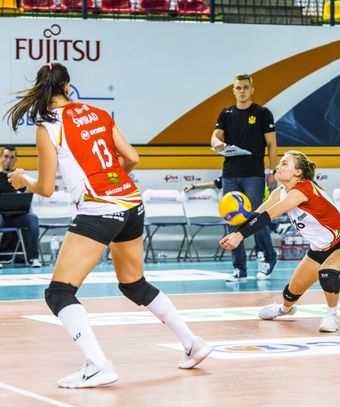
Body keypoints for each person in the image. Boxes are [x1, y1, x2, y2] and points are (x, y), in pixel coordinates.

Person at [5, 62, 212, 389]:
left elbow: (45, 188)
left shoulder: (48, 126)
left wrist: (23, 180)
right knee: (134, 285)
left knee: (59, 292)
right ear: (67, 86)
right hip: (131, 203)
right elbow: (132, 159)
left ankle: (97, 364)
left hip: (99, 208)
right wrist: (111, 182)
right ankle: (193, 343)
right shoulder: (99, 114)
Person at [219, 150, 340, 332]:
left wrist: (240, 236)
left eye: (285, 163)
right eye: (279, 163)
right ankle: (284, 309)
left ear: (297, 172)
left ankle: (331, 315)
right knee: (290, 293)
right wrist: (236, 232)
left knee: (327, 273)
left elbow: (269, 215)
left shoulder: (304, 188)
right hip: (318, 250)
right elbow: (258, 215)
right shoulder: (279, 192)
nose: (278, 166)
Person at [210, 73, 278, 281]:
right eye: (238, 88)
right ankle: (239, 268)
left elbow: (272, 145)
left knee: (256, 218)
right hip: (230, 175)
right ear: (234, 90)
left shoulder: (262, 113)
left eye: (245, 87)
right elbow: (215, 137)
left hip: (253, 175)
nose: (242, 91)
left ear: (251, 90)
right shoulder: (226, 113)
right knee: (233, 219)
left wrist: (273, 172)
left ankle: (268, 258)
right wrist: (217, 144)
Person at [0, 146, 41, 268]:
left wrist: (29, 186)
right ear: (1, 158)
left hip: (16, 216)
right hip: (1, 216)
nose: (9, 160)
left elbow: (26, 196)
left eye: (12, 157)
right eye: (6, 156)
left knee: (32, 219)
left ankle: (33, 258)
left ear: (16, 160)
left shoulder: (18, 177)